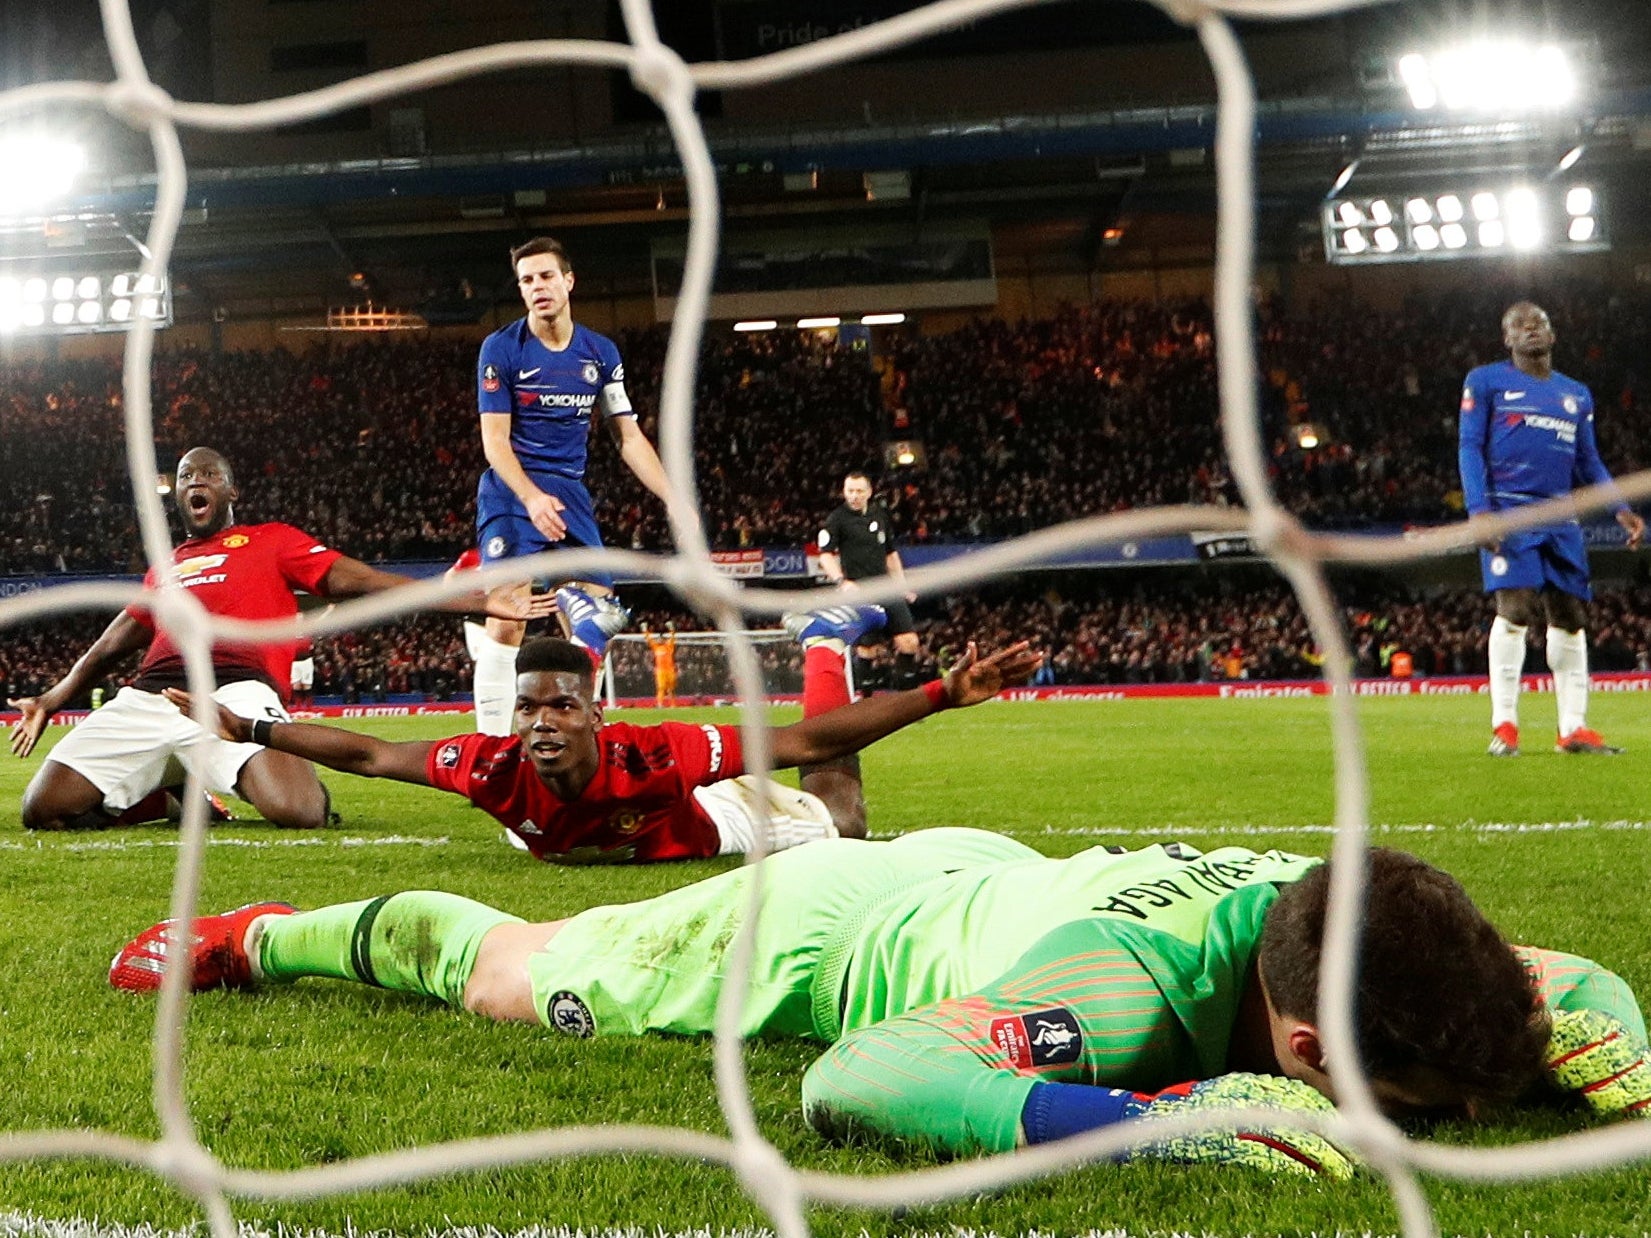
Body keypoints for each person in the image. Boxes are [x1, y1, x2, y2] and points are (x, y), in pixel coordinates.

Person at [110, 832, 1649, 1173]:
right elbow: (860, 1074)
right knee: (519, 964)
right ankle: (258, 933)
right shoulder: (1113, 995)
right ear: (1303, 1052)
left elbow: (1544, 978)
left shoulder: (1362, 925)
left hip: (988, 877)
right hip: (809, 934)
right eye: (1425, 1110)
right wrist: (1143, 1122)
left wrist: (1602, 1020)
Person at [7, 447, 553, 832]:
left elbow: (364, 582)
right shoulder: (165, 569)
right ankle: (167, 797)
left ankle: (216, 772)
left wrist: (479, 600)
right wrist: (51, 699)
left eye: (208, 474)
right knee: (43, 809)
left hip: (235, 692)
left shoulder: (271, 541)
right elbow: (108, 647)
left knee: (299, 813)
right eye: (185, 476)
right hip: (152, 696)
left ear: (230, 490)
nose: (195, 481)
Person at [164, 631, 1040, 861]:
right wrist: (251, 730)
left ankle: (823, 648)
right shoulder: (491, 762)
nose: (541, 721)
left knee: (839, 813)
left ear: (593, 715)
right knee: (518, 812)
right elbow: (366, 755)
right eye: (527, 709)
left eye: (561, 708)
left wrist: (937, 696)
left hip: (688, 828)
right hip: (545, 822)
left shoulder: (660, 752)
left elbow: (802, 736)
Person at [470, 236, 674, 737]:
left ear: (568, 281)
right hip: (512, 491)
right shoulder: (501, 348)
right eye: (526, 281)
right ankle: (494, 753)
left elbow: (627, 434)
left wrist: (674, 498)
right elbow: (495, 441)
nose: (536, 287)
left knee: (594, 618)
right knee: (509, 617)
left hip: (571, 494)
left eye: (545, 276)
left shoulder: (600, 353)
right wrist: (530, 497)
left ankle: (582, 741)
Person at [1458, 301, 1646, 757]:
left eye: (1538, 323)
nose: (1530, 330)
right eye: (1519, 326)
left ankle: (1574, 729)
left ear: (1553, 334)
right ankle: (1504, 725)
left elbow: (1589, 461)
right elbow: (1469, 445)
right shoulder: (1485, 381)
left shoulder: (1576, 394)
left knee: (1571, 617)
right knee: (1517, 607)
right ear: (1507, 339)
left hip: (1562, 519)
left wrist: (1619, 507)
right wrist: (1479, 509)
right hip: (1511, 512)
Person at [817, 472, 922, 688]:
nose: (854, 496)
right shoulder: (837, 519)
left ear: (869, 492)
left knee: (910, 642)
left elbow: (890, 554)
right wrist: (841, 582)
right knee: (869, 650)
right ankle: (865, 699)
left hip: (886, 588)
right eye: (850, 491)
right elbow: (825, 554)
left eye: (859, 491)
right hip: (861, 592)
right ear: (844, 492)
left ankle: (905, 698)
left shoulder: (879, 515)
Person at [643, 621, 678, 708]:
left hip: (670, 669)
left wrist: (671, 629)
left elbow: (673, 638)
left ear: (663, 640)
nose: (659, 640)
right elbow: (649, 639)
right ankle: (660, 704)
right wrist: (645, 630)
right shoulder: (655, 647)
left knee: (671, 689)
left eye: (661, 639)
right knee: (661, 688)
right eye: (658, 639)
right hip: (660, 671)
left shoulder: (669, 646)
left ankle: (673, 704)